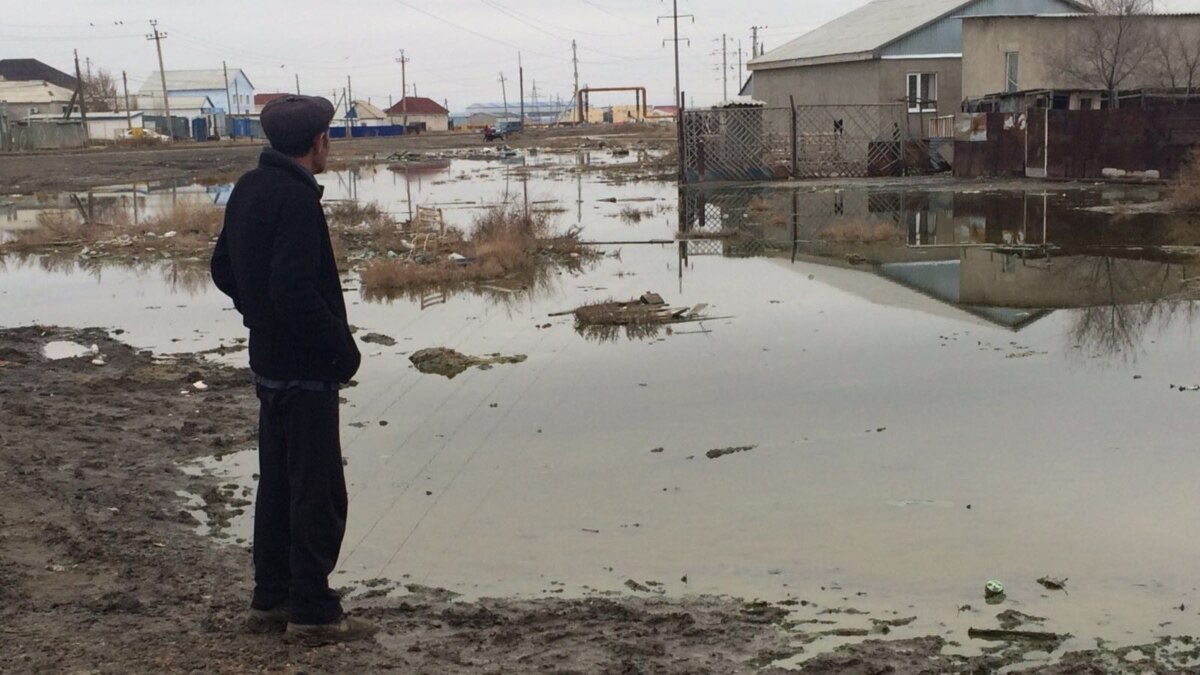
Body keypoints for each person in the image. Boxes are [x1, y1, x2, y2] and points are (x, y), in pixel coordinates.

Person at [210, 95, 374, 644]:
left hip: (269, 367)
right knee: (317, 493)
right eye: (330, 137)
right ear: (318, 142)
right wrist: (342, 352)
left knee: (278, 487)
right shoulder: (297, 200)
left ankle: (271, 600)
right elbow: (295, 291)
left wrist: (256, 314)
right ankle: (312, 612)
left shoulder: (249, 189)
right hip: (306, 373)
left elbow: (222, 267)